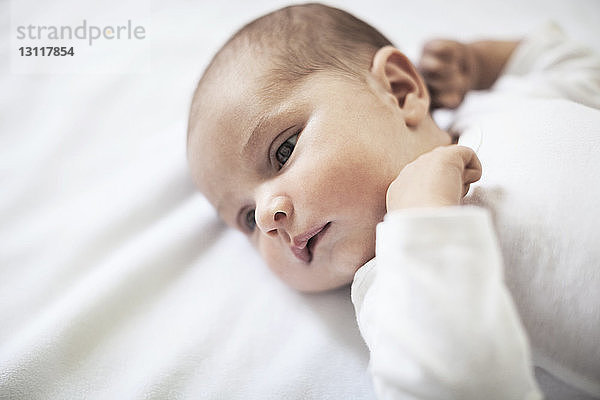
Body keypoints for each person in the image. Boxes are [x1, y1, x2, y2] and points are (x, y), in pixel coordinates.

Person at [186, 3, 600, 399]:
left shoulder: (503, 104)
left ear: (400, 91)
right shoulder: (392, 287)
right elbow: (451, 388)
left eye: (284, 150)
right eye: (246, 220)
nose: (265, 216)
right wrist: (422, 228)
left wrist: (481, 63)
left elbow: (582, 69)